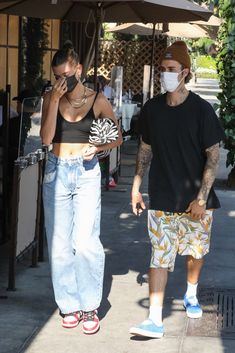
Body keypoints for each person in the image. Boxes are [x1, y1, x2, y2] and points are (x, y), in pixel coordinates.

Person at [129, 41, 225, 338]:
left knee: (195, 254)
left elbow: (213, 155)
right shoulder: (152, 109)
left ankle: (191, 293)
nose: (165, 75)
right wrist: (135, 188)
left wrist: (201, 198)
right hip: (161, 195)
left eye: (171, 70)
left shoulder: (201, 110)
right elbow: (145, 150)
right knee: (159, 257)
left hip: (196, 200)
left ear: (185, 72)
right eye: (162, 70)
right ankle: (155, 320)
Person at [40, 42, 122, 334]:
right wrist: (52, 101)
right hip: (56, 170)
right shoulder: (52, 96)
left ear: (79, 70)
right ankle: (68, 305)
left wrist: (96, 146)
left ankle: (90, 306)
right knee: (60, 244)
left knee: (86, 242)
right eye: (57, 76)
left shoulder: (96, 99)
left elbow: (116, 138)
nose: (63, 81)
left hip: (86, 173)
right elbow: (46, 138)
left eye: (68, 75)